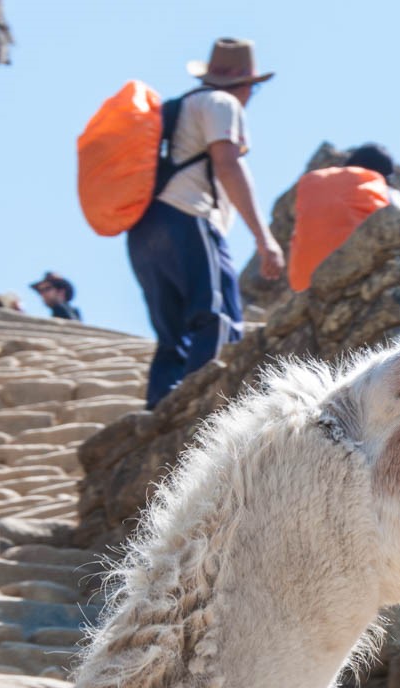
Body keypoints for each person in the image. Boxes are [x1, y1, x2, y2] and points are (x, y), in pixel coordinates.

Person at [126, 38, 285, 410]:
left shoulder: (176, 109)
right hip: (189, 217)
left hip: (144, 227)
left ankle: (158, 415)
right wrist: (264, 239)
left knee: (171, 336)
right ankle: (199, 413)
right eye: (254, 87)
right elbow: (227, 164)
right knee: (219, 318)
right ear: (244, 85)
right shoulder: (222, 103)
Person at [287, 143, 400, 292]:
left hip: (303, 281)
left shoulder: (314, 187)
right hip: (357, 275)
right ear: (386, 174)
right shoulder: (385, 191)